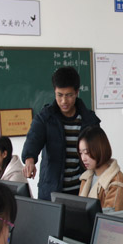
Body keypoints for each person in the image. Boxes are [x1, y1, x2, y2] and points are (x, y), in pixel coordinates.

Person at [22, 66, 100, 200]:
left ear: (77, 92)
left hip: (82, 190)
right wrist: (29, 160)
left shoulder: (89, 120)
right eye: (60, 95)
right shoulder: (45, 118)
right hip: (52, 191)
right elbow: (33, 140)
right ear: (54, 91)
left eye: (69, 95)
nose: (64, 101)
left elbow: (99, 150)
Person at [77, 125, 123, 212]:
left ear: (100, 149)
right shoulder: (86, 178)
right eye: (81, 153)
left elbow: (109, 218)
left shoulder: (116, 184)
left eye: (87, 152)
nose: (83, 158)